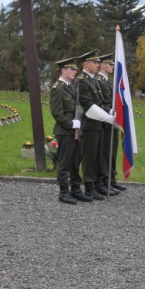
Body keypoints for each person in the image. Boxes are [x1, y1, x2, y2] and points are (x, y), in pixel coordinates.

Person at [49, 57, 91, 204]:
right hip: (65, 132)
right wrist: (70, 123)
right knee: (65, 163)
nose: (75, 71)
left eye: (75, 69)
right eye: (72, 69)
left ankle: (76, 189)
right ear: (63, 70)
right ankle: (63, 192)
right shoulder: (57, 89)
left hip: (75, 131)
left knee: (75, 161)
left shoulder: (71, 87)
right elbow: (57, 113)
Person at [76, 50, 111, 200]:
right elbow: (87, 104)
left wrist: (110, 114)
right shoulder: (82, 80)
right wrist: (108, 117)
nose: (98, 65)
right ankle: (89, 186)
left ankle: (96, 183)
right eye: (95, 62)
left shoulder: (93, 79)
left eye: (98, 62)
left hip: (98, 124)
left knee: (97, 156)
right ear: (86, 64)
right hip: (90, 124)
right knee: (89, 157)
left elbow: (101, 102)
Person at [97, 53, 126, 191]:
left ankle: (111, 178)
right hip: (105, 121)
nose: (113, 67)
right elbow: (100, 103)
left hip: (112, 122)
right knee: (106, 153)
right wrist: (110, 113)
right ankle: (104, 179)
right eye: (110, 64)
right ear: (102, 65)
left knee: (112, 152)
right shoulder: (99, 81)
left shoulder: (107, 81)